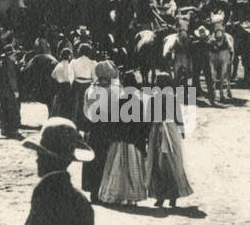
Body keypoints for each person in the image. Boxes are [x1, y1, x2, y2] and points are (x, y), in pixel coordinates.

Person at [98, 73, 150, 205]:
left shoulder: (119, 99)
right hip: (133, 139)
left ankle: (117, 195)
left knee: (117, 167)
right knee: (133, 169)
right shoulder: (139, 100)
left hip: (120, 138)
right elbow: (143, 123)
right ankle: (132, 198)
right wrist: (143, 138)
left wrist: (112, 135)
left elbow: (113, 121)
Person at [145, 72, 194, 208]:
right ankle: (173, 196)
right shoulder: (172, 98)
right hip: (171, 131)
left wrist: (147, 135)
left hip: (157, 131)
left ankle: (160, 196)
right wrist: (182, 132)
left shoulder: (153, 98)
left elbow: (148, 118)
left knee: (157, 164)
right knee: (173, 162)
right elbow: (179, 117)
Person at [81, 61, 118, 202]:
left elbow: (85, 110)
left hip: (93, 128)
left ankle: (93, 191)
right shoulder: (113, 90)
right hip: (108, 127)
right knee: (105, 159)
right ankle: (105, 191)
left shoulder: (90, 89)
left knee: (92, 159)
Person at [69, 43, 96, 132]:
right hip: (88, 85)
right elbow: (95, 78)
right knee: (87, 106)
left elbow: (71, 76)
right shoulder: (93, 63)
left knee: (75, 107)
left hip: (77, 85)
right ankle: (86, 128)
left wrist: (71, 86)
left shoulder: (74, 62)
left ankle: (75, 127)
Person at [0, 44, 22, 138]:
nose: (14, 56)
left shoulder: (2, 61)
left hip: (3, 90)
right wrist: (15, 90)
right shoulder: (10, 63)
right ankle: (13, 130)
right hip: (10, 91)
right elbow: (12, 78)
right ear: (9, 55)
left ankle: (4, 129)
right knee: (13, 110)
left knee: (4, 109)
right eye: (12, 54)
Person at [50, 47, 74, 120]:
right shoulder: (70, 65)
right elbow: (72, 76)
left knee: (59, 103)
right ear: (69, 56)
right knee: (68, 102)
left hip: (60, 85)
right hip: (68, 85)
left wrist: (58, 78)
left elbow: (53, 75)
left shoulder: (59, 65)